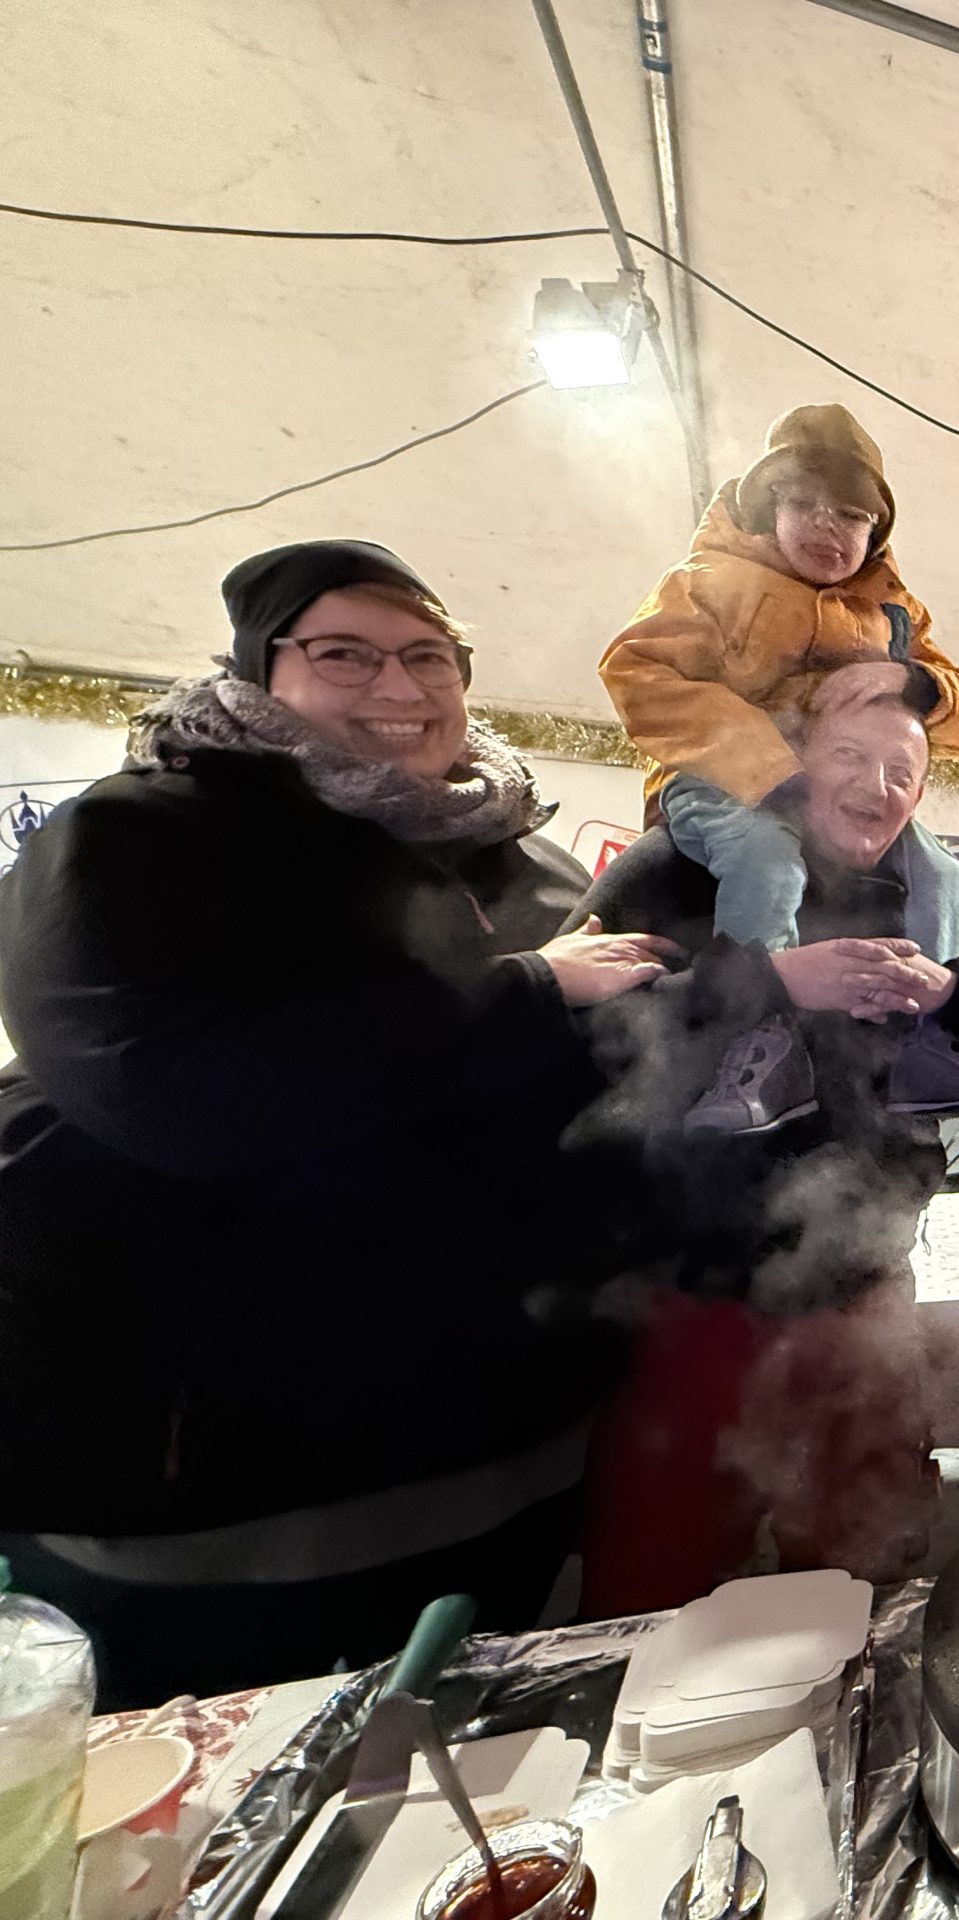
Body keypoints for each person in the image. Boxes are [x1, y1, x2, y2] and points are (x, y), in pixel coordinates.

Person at [0, 540, 674, 1707]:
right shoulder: (141, 837)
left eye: (429, 658)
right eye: (344, 655)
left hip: (513, 1470)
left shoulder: (531, 869)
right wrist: (527, 991)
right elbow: (174, 1092)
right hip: (213, 1516)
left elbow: (613, 1111)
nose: (401, 690)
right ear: (262, 672)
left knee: (488, 1820)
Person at [570, 672, 959, 1605]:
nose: (877, 788)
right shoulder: (676, 869)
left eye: (902, 771)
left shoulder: (930, 898)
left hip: (863, 1298)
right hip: (687, 1303)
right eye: (849, 757)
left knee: (859, 1580)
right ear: (789, 755)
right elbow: (579, 1057)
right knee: (657, 1580)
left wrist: (952, 993)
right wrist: (774, 979)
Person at [601, 402, 959, 1131]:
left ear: (875, 534)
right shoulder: (708, 583)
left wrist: (917, 684)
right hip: (720, 786)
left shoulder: (893, 614)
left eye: (850, 514)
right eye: (803, 501)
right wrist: (772, 768)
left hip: (842, 791)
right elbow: (638, 674)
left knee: (944, 874)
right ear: (764, 507)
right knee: (767, 859)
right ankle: (763, 1035)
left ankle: (921, 1040)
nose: (826, 526)